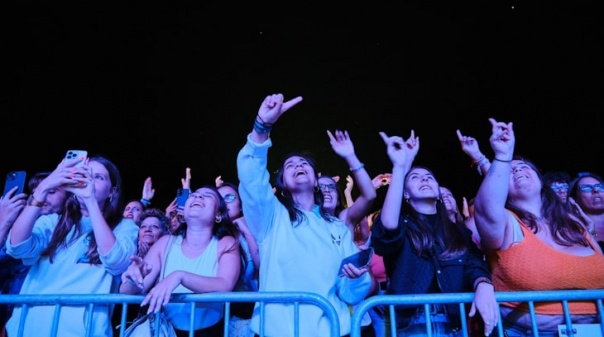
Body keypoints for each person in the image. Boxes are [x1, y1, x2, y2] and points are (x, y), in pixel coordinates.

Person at [236, 93, 372, 337]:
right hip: (278, 332)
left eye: (304, 164)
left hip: (332, 330)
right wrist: (261, 127)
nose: (298, 166)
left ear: (316, 179)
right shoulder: (271, 219)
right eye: (290, 165)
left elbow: (348, 293)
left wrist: (355, 278)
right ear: (283, 183)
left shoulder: (337, 227)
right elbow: (251, 176)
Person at [473, 118, 604, 336]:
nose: (518, 171)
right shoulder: (507, 223)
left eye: (525, 167)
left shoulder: (574, 224)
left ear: (541, 181)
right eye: (510, 171)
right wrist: (503, 156)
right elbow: (487, 206)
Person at [371, 130, 498, 337]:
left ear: (439, 191)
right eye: (415, 177)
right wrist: (400, 167)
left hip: (455, 322)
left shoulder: (457, 231)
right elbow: (386, 233)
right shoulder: (401, 224)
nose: (424, 179)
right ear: (405, 193)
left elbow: (473, 263)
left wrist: (483, 284)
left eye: (429, 177)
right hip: (413, 323)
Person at [5, 154, 139, 337]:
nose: (88, 180)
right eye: (85, 174)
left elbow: (116, 260)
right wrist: (44, 188)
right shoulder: (53, 222)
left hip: (81, 331)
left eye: (98, 177)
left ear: (111, 191)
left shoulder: (124, 226)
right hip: (28, 327)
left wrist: (91, 201)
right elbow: (16, 246)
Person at [120, 185, 241, 337]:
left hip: (210, 332)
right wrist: (133, 279)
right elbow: (127, 292)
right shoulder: (165, 243)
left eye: (208, 195)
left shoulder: (225, 243)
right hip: (167, 331)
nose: (198, 197)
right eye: (194, 195)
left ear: (218, 214)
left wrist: (180, 276)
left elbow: (224, 284)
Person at [216, 180, 260, 337]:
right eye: (219, 198)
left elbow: (261, 264)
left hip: (249, 313)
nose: (224, 202)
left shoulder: (254, 230)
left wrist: (246, 230)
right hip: (215, 314)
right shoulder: (210, 236)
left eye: (229, 198)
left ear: (240, 204)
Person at [568, 171, 604, 251]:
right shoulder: (572, 229)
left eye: (600, 186)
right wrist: (591, 229)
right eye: (586, 188)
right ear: (574, 199)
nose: (596, 190)